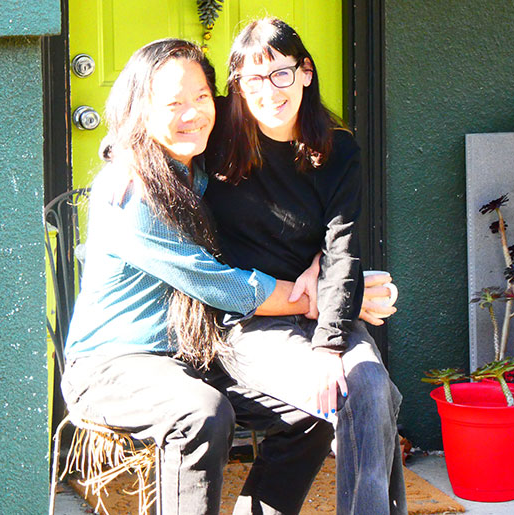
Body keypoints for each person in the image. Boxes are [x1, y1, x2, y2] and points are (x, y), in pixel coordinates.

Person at [61, 35, 399, 515]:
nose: (192, 113)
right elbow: (222, 284)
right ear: (141, 110)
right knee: (201, 414)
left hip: (195, 355)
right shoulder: (133, 193)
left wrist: (325, 267)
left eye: (202, 98)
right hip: (115, 364)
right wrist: (320, 299)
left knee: (316, 402)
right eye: (172, 103)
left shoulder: (200, 163)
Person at [201, 17, 407, 514]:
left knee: (372, 385)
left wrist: (330, 342)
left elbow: (344, 246)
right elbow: (158, 131)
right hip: (250, 322)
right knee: (362, 397)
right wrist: (114, 155)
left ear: (306, 72)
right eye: (252, 79)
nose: (268, 91)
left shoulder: (337, 151)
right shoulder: (219, 135)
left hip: (317, 315)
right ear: (238, 85)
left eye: (280, 74)